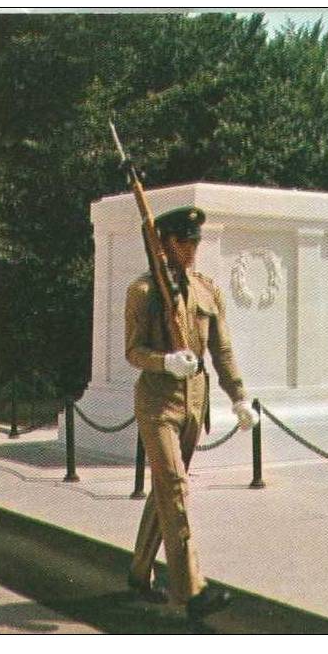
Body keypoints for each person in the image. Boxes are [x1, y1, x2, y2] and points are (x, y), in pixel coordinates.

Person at [123, 205, 257, 620]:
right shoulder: (144, 291)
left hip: (194, 403)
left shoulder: (205, 290)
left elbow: (222, 349)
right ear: (165, 244)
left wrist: (238, 396)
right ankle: (191, 589)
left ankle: (139, 572)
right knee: (176, 487)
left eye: (195, 242)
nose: (192, 250)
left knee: (167, 491)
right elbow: (133, 351)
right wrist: (165, 361)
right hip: (158, 403)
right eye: (184, 243)